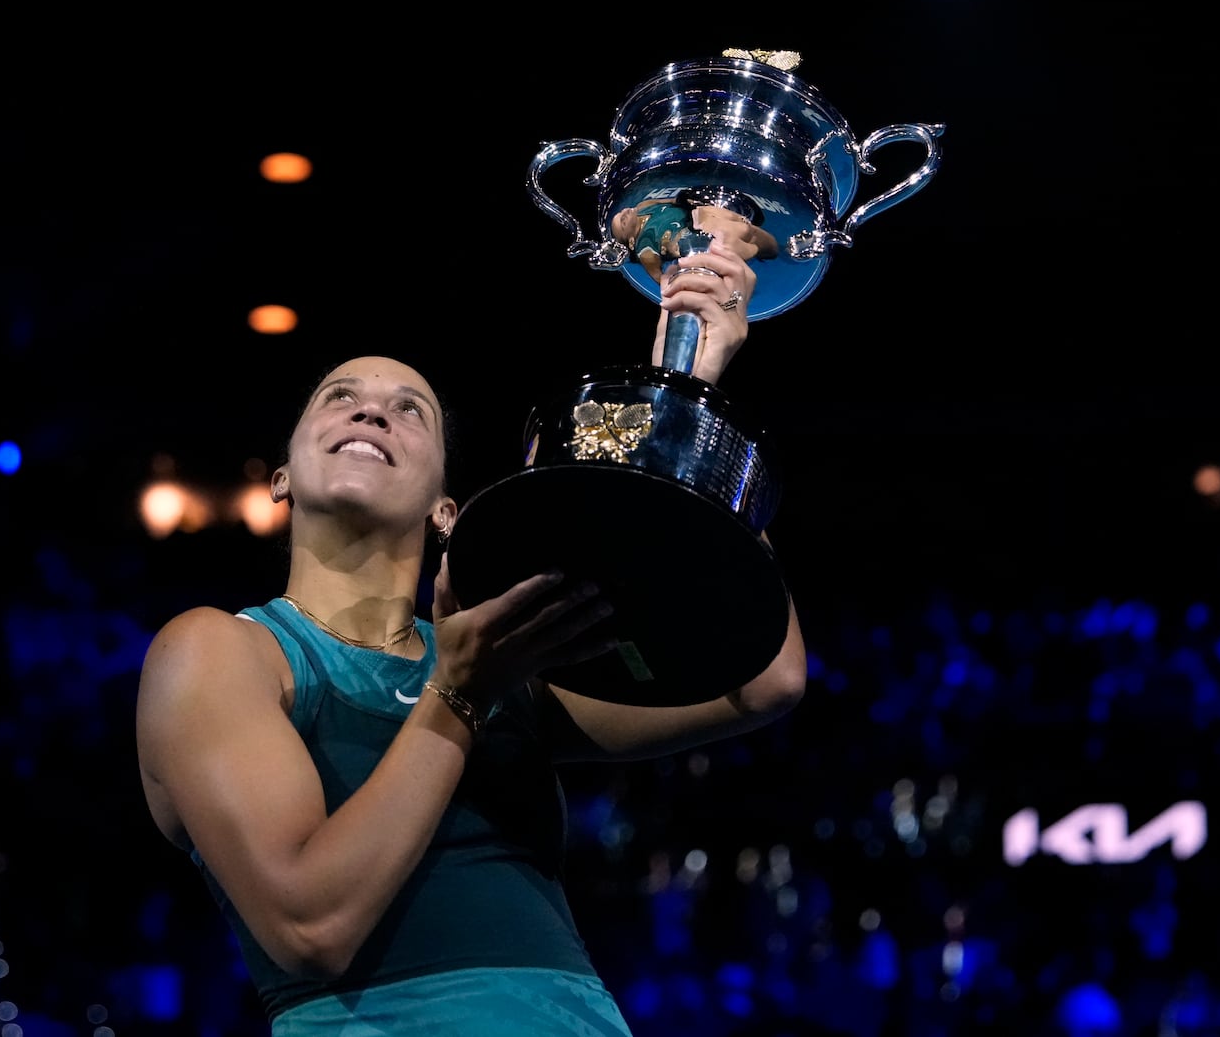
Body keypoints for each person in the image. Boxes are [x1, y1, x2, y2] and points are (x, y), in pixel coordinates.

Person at [135, 232, 807, 1035]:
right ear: (282, 476)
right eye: (339, 396)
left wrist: (682, 424)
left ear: (445, 509)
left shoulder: (513, 661)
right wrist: (458, 693)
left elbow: (763, 678)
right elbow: (309, 928)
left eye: (408, 410)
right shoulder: (220, 650)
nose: (372, 409)